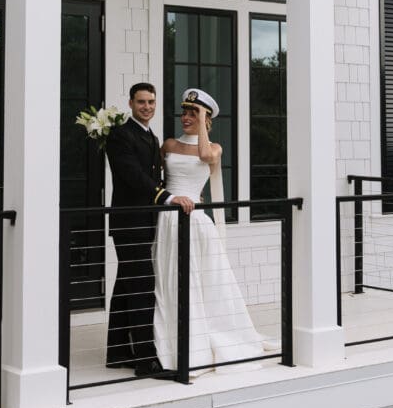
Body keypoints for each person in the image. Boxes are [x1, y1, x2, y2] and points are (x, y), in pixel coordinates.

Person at [153, 88, 270, 373]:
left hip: (194, 221)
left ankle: (200, 345)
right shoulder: (168, 144)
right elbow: (157, 179)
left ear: (205, 118)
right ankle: (170, 345)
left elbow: (205, 155)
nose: (186, 117)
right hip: (168, 219)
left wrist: (203, 122)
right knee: (168, 281)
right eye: (185, 112)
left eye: (194, 113)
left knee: (199, 281)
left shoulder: (214, 147)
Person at [105, 82, 194, 377]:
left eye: (151, 102)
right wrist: (167, 197)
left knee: (125, 285)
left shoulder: (149, 135)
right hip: (129, 224)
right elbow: (133, 177)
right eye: (141, 102)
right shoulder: (120, 134)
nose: (147, 107)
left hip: (145, 222)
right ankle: (146, 361)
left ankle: (117, 351)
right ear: (130, 103)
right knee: (142, 287)